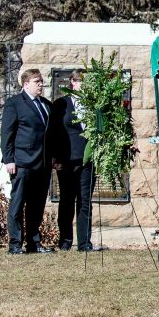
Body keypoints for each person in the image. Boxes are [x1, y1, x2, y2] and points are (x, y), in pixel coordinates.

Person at [0, 68, 54, 255]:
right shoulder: (14, 103)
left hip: (42, 164)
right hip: (22, 162)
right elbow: (7, 134)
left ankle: (34, 242)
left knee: (36, 205)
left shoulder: (46, 105)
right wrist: (9, 159)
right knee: (18, 203)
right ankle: (15, 244)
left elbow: (50, 135)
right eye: (37, 81)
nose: (41, 85)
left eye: (41, 81)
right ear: (26, 84)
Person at [49, 69, 96, 254]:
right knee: (67, 199)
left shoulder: (93, 104)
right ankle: (66, 240)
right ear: (72, 83)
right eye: (79, 81)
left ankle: (84, 242)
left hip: (87, 158)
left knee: (85, 200)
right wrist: (54, 158)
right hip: (67, 159)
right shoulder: (62, 103)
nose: (82, 85)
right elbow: (53, 132)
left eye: (86, 82)